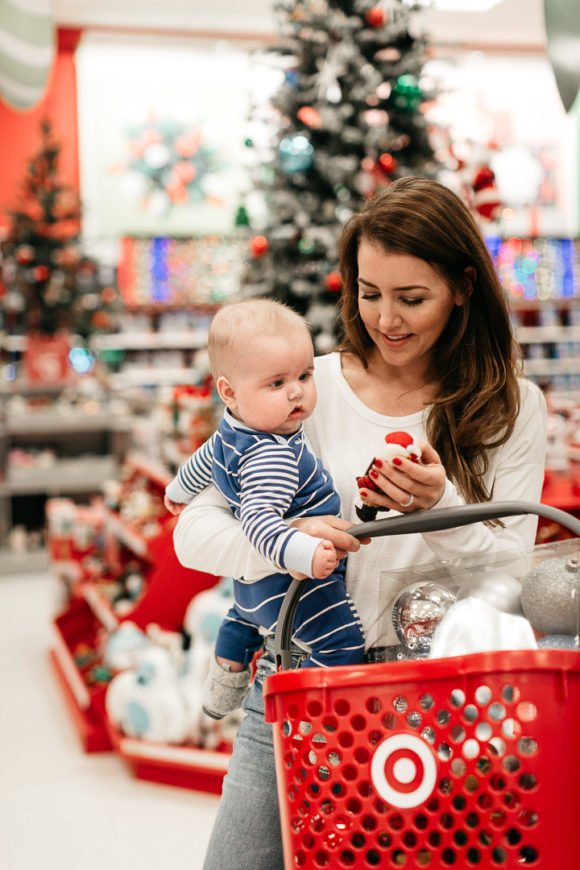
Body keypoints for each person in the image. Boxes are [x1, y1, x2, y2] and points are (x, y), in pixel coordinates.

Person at [172, 177, 547, 870]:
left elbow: (512, 579)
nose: (386, 320)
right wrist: (288, 547)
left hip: (441, 703)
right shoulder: (300, 386)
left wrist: (436, 510)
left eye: (412, 299)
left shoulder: (511, 407)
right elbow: (193, 532)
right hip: (295, 683)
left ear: (463, 288)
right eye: (368, 294)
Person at [164, 298, 365, 719]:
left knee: (242, 621)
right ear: (229, 391)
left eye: (305, 375)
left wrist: (179, 489)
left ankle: (224, 685)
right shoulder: (272, 455)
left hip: (250, 591)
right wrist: (303, 552)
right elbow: (257, 521)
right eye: (276, 383)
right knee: (342, 642)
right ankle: (308, 718)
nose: (297, 391)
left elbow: (204, 459)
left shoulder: (232, 430)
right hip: (297, 587)